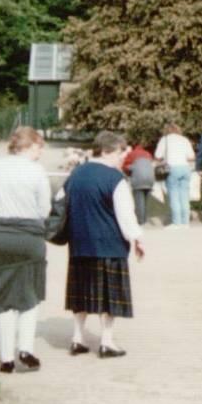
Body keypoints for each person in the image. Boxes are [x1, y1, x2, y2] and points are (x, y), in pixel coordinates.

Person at [0, 126, 52, 374]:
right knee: (30, 293)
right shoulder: (37, 171)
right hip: (29, 238)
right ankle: (25, 348)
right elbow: (44, 210)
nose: (41, 152)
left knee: (2, 297)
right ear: (27, 146)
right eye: (39, 147)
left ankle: (6, 358)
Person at [63, 129, 146, 358]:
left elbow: (60, 204)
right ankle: (107, 342)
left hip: (79, 244)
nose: (123, 158)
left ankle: (77, 338)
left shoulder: (76, 174)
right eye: (121, 152)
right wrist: (137, 238)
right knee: (109, 296)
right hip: (109, 245)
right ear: (108, 150)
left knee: (80, 294)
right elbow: (125, 215)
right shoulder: (115, 178)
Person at [154, 122, 196, 228]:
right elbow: (191, 156)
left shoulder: (165, 139)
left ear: (167, 130)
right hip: (186, 168)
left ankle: (177, 222)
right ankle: (185, 222)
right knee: (184, 196)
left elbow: (157, 155)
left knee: (174, 196)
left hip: (173, 168)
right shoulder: (184, 139)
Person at [122, 142, 156, 225]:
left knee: (139, 202)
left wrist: (129, 172)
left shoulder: (131, 154)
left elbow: (124, 167)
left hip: (138, 179)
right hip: (150, 179)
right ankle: (146, 219)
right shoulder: (148, 154)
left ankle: (141, 222)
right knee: (146, 201)